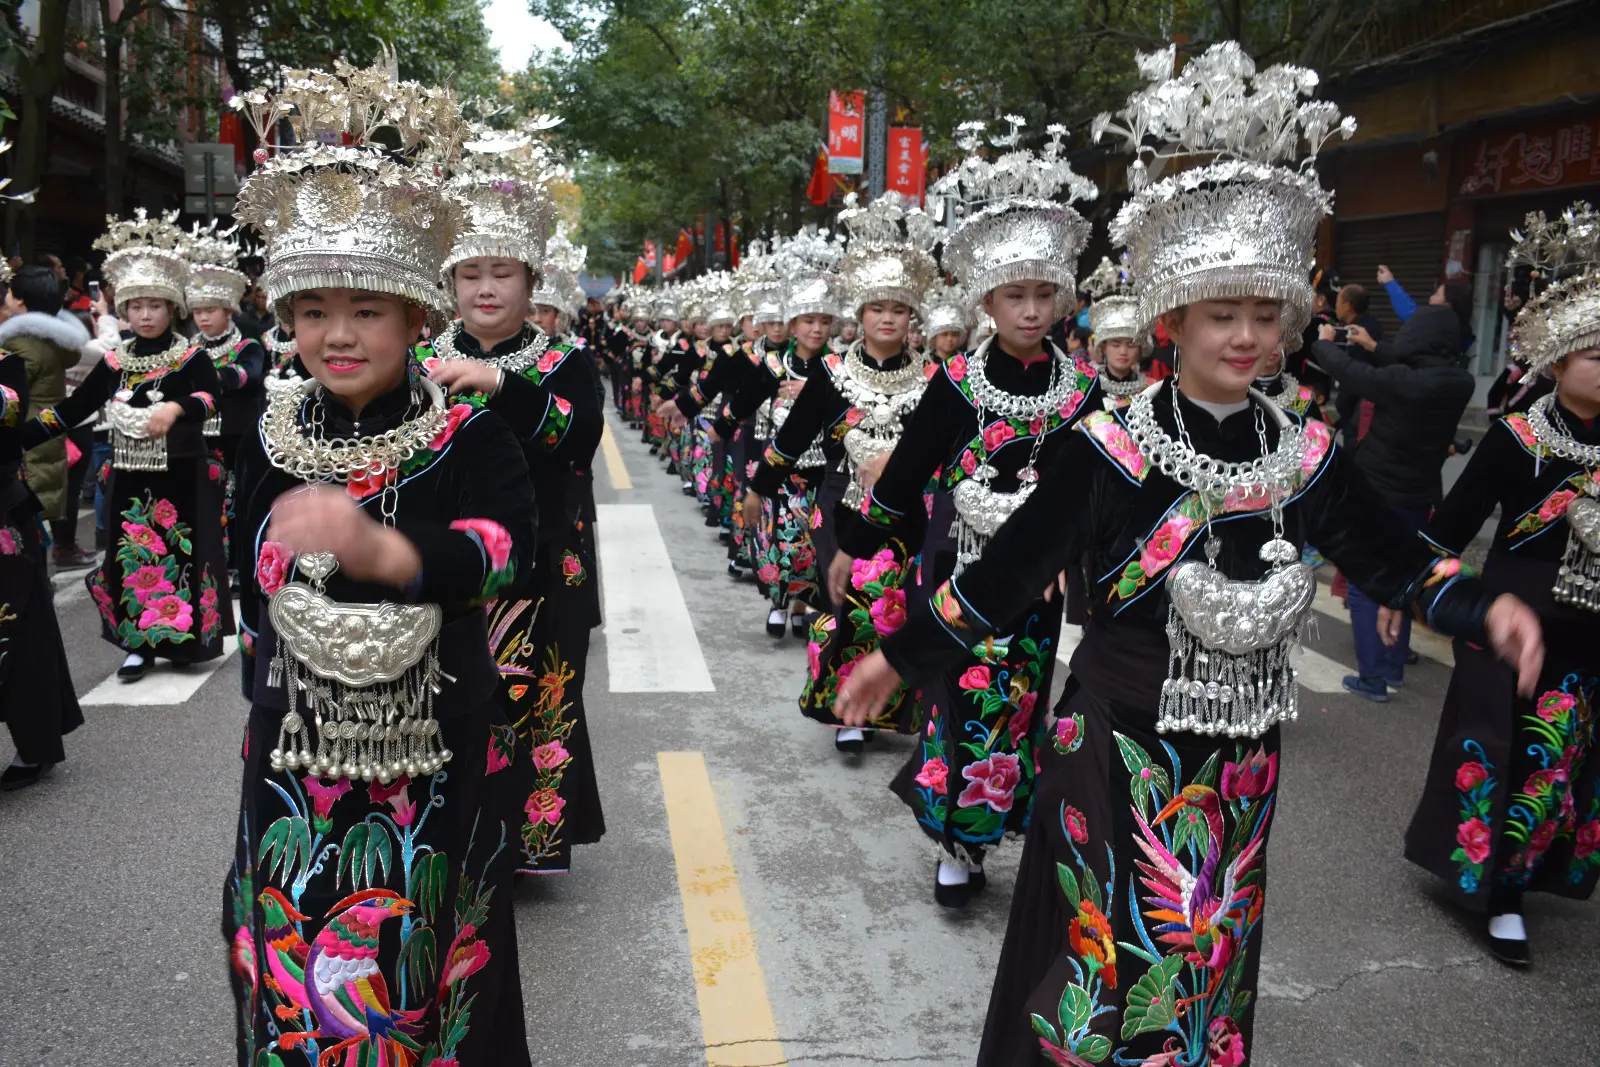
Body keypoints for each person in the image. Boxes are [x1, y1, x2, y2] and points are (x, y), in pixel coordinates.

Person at [836, 43, 1544, 1064]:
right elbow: (1001, 579)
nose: (1248, 336)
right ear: (1170, 319)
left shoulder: (1304, 450)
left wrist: (1480, 606)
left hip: (1243, 756)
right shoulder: (1107, 447)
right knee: (1108, 953)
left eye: (1266, 313)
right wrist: (898, 657)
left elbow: (1390, 558)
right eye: (1224, 314)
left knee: (1207, 954)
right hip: (1119, 737)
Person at [224, 60, 536, 1065]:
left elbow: (500, 553)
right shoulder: (266, 426)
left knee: (426, 956)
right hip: (296, 736)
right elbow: (244, 563)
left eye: (365, 310)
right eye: (314, 311)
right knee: (282, 943)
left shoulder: (472, 433)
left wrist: (378, 550)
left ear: (416, 320)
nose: (337, 334)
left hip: (435, 736)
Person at [831, 117, 1102, 907]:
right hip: (958, 570)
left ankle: (991, 824)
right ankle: (958, 836)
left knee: (1021, 704)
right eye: (1015, 294)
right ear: (986, 297)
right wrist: (851, 542)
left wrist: (1069, 567)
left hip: (1036, 588)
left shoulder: (1082, 394)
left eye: (1043, 294)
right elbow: (903, 478)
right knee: (962, 696)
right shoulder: (955, 383)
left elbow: (1088, 502)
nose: (1030, 310)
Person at [1404, 202, 1600, 968]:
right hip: (1515, 620)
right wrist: (1421, 590)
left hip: (1589, 636)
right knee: (1497, 748)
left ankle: (1522, 877)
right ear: (1556, 361)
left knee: (1559, 762)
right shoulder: (1518, 440)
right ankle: (1495, 892)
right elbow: (1440, 534)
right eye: (1595, 354)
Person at [424, 150, 606, 878]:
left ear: (532, 280)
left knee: (541, 695)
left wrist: (501, 383)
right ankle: (456, 830)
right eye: (471, 273)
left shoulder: (566, 362)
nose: (486, 287)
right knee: (452, 695)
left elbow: (579, 434)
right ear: (450, 285)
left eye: (502, 272)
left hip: (545, 562)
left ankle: (532, 838)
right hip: (448, 562)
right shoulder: (420, 357)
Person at [749, 196, 938, 753]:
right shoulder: (830, 374)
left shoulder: (934, 379)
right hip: (842, 500)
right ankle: (846, 707)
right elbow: (793, 437)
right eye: (876, 308)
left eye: (898, 310)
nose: (886, 318)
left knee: (895, 602)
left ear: (911, 319)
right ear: (860, 315)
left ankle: (885, 701)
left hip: (907, 510)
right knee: (849, 600)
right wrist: (759, 487)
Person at [21, 210, 231, 682]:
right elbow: (74, 409)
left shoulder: (191, 357)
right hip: (129, 476)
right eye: (136, 307)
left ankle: (185, 641)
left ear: (172, 307)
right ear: (124, 311)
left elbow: (210, 397)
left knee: (185, 554)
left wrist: (176, 409)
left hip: (183, 473)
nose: (145, 315)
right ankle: (136, 645)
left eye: (155, 306)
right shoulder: (115, 360)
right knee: (129, 557)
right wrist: (20, 435)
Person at [1312, 276, 1476, 701]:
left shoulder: (1407, 383)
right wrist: (1372, 345)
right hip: (1419, 493)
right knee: (1407, 577)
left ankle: (1373, 678)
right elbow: (1407, 366)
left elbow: (1352, 374)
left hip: (1379, 490)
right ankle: (1395, 666)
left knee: (1370, 583)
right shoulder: (1458, 381)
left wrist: (1325, 342)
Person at [721, 234, 838, 638]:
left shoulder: (839, 368)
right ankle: (778, 602)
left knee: (813, 542)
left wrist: (817, 392)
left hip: (823, 470)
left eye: (824, 321)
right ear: (792, 324)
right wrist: (716, 425)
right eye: (808, 320)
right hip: (777, 467)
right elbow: (742, 402)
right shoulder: (773, 364)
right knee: (780, 543)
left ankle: (804, 604)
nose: (817, 329)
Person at [0, 263, 84, 790]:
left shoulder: (12, 362)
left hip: (7, 504)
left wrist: (85, 402)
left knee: (19, 629)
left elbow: (20, 429)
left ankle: (36, 742)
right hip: (35, 466)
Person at [184, 221, 267, 586]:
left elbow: (245, 375)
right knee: (206, 502)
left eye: (211, 310)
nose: (203, 317)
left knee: (238, 504)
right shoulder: (189, 350)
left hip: (238, 441)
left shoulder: (247, 345)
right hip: (200, 442)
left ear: (229, 310)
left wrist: (210, 378)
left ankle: (239, 565)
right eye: (198, 310)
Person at [0, 264, 93, 566]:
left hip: (26, 446)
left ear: (22, 302)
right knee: (32, 528)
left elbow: (11, 400)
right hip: (45, 439)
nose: (6, 300)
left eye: (10, 294)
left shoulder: (20, 346)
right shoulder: (48, 342)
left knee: (22, 530)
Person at [1081, 256, 1145, 409]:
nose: (1123, 352)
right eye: (1115, 344)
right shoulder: (1087, 388)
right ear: (1103, 347)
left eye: (1131, 345)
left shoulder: (1150, 389)